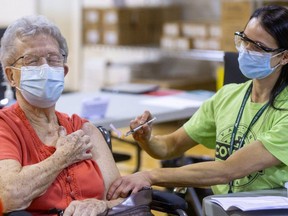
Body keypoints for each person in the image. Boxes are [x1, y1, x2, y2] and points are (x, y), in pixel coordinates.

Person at [107, 4, 288, 200]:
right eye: (244, 40)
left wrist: (150, 176)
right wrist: (147, 139)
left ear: (284, 56)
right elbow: (170, 146)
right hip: (221, 207)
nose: (246, 51)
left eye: (258, 48)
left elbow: (227, 170)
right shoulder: (227, 97)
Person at [0, 15, 124, 215]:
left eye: (53, 59)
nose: (45, 68)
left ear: (64, 71)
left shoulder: (84, 129)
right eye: (32, 61)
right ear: (11, 75)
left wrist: (102, 205)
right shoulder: (5, 128)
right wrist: (62, 157)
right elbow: (9, 196)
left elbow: (120, 197)